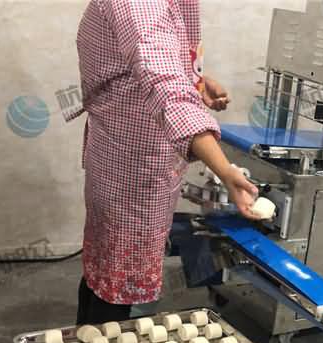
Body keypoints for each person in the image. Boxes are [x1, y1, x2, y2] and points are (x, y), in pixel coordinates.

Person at [71, 0, 258, 324]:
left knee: (107, 269)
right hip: (133, 170)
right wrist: (225, 170)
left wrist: (197, 80)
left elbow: (145, 61)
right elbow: (165, 86)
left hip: (127, 158)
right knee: (119, 281)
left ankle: (86, 339)